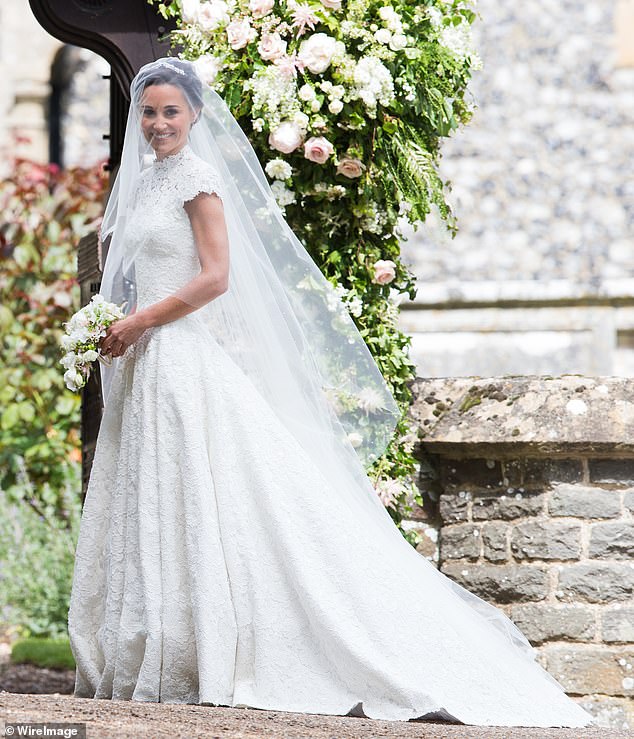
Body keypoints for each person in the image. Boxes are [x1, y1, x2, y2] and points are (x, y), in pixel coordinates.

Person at [67, 57, 592, 728]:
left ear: (194, 115)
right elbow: (138, 270)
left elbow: (217, 277)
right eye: (149, 111)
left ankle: (232, 642)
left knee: (215, 492)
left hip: (184, 357)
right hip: (149, 363)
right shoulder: (145, 185)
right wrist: (111, 325)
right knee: (161, 492)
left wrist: (139, 320)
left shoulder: (197, 181)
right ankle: (164, 645)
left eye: (171, 111)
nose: (159, 122)